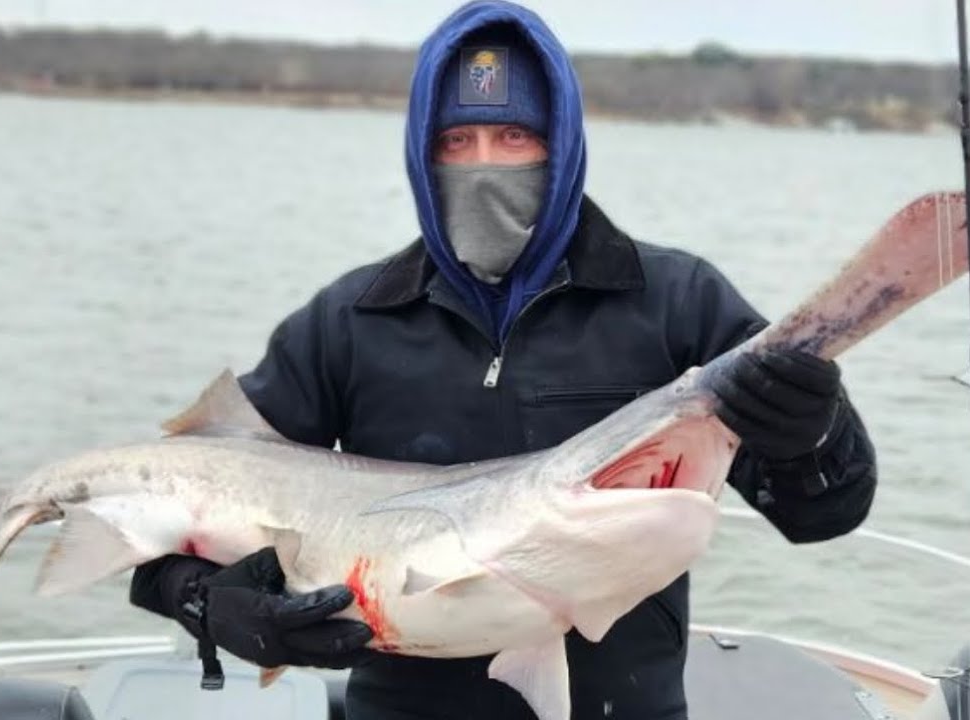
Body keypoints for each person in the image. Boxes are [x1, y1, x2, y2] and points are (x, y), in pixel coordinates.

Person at [128, 1, 878, 718]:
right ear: (423, 156)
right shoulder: (348, 321)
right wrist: (210, 602)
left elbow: (822, 514)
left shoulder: (679, 303)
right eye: (457, 143)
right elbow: (176, 496)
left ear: (563, 142)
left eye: (514, 138)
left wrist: (814, 431)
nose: (484, 167)